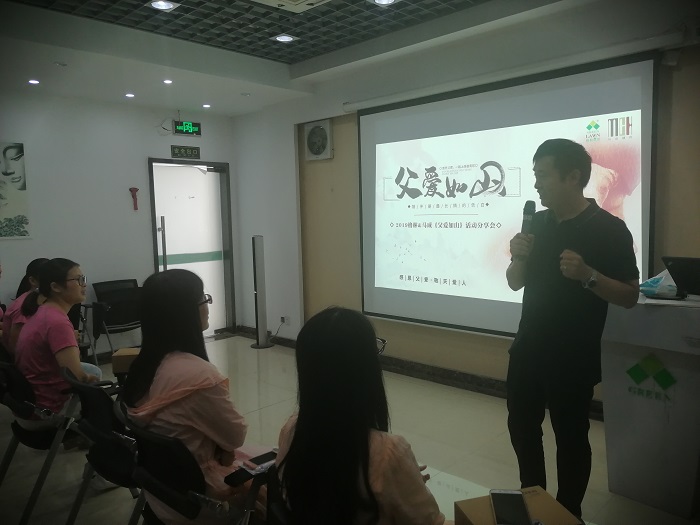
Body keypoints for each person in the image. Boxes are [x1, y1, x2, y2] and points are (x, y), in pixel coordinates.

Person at [505, 139, 639, 521]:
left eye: (543, 175)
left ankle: (568, 513)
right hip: (528, 348)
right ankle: (533, 501)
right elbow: (514, 282)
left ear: (573, 177)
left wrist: (588, 275)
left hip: (573, 356)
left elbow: (630, 295)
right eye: (535, 175)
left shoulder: (610, 229)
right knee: (522, 428)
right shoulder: (536, 223)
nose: (536, 184)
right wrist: (519, 258)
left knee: (571, 438)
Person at [276, 307, 446, 525]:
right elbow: (429, 521)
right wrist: (399, 477)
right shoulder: (389, 453)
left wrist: (399, 479)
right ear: (365, 371)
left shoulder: (291, 431)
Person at [123, 269, 248, 525]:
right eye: (203, 299)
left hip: (160, 495)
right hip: (201, 504)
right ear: (185, 313)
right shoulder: (198, 376)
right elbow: (235, 436)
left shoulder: (142, 367)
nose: (207, 306)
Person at [14, 258, 102, 429]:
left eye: (83, 278)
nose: (84, 284)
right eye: (78, 280)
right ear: (55, 287)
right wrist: (93, 383)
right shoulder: (57, 322)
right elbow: (77, 377)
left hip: (26, 405)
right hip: (46, 410)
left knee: (93, 372)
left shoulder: (43, 311)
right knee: (105, 394)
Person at [2, 258, 49, 354]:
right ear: (32, 281)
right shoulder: (24, 307)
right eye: (48, 278)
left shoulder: (41, 302)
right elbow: (16, 349)